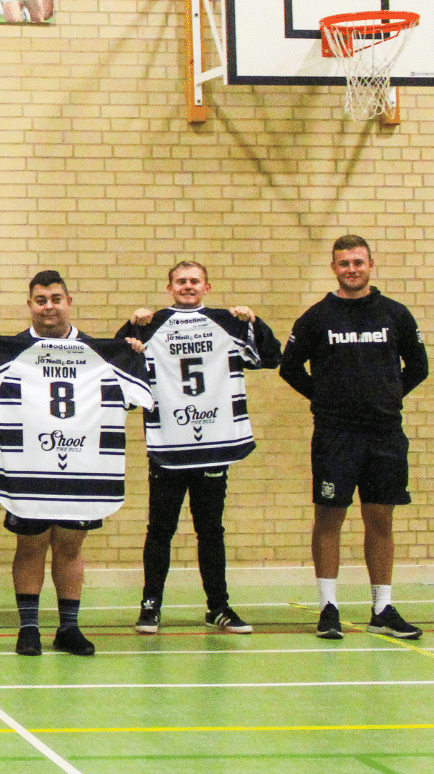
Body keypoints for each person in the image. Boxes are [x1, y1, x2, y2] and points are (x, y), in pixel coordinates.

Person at [0, 270, 152, 657]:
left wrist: (132, 352)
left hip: (83, 469)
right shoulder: (7, 350)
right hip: (28, 468)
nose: (48, 306)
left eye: (55, 299)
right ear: (30, 305)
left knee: (69, 546)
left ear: (68, 301)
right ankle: (28, 628)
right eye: (40, 300)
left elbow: (136, 401)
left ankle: (68, 628)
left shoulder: (105, 352)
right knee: (29, 546)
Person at [118, 261, 281, 635]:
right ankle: (150, 605)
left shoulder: (228, 322)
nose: (187, 286)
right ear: (169, 287)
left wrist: (254, 321)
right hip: (169, 445)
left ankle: (218, 606)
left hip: (214, 444)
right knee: (160, 529)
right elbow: (121, 364)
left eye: (194, 281)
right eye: (181, 281)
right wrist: (132, 325)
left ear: (207, 287)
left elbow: (271, 357)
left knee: (211, 530)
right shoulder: (153, 323)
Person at [280, 235, 429, 641]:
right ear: (334, 268)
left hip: (384, 434)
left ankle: (382, 607)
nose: (352, 269)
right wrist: (324, 399)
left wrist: (389, 396)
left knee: (380, 517)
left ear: (371, 264)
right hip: (335, 435)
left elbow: (419, 365)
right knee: (330, 516)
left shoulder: (395, 314)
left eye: (358, 262)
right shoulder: (316, 317)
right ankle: (328, 606)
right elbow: (289, 367)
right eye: (344, 263)